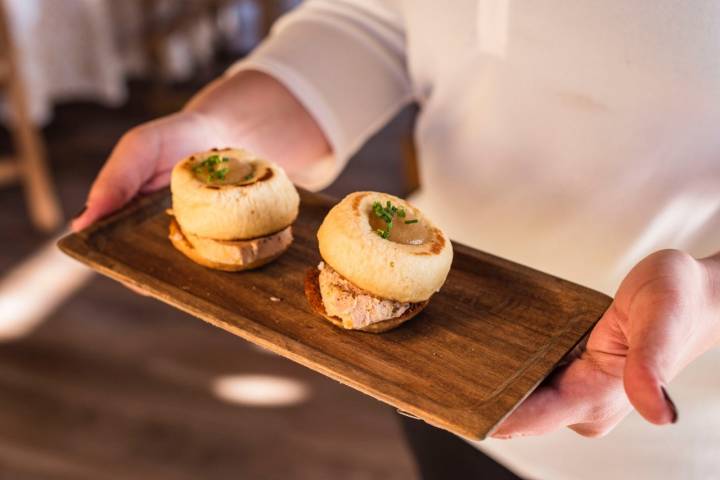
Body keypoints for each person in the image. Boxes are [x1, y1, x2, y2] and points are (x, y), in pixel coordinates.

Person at [72, 1, 720, 479]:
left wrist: (710, 298)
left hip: (677, 430)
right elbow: (374, 20)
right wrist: (219, 128)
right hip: (433, 374)